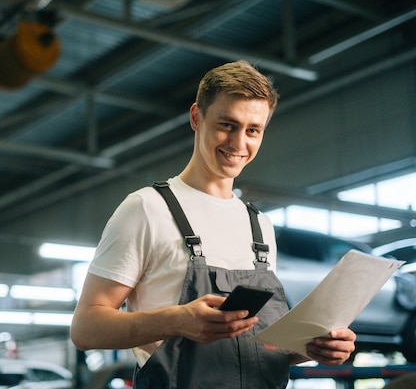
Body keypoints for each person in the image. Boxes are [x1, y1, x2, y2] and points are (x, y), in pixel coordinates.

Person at [70, 60, 356, 388]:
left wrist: (313, 348)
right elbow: (85, 329)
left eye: (253, 130)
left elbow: (256, 350)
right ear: (196, 117)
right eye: (227, 125)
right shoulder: (146, 209)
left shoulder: (260, 227)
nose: (238, 144)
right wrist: (178, 321)